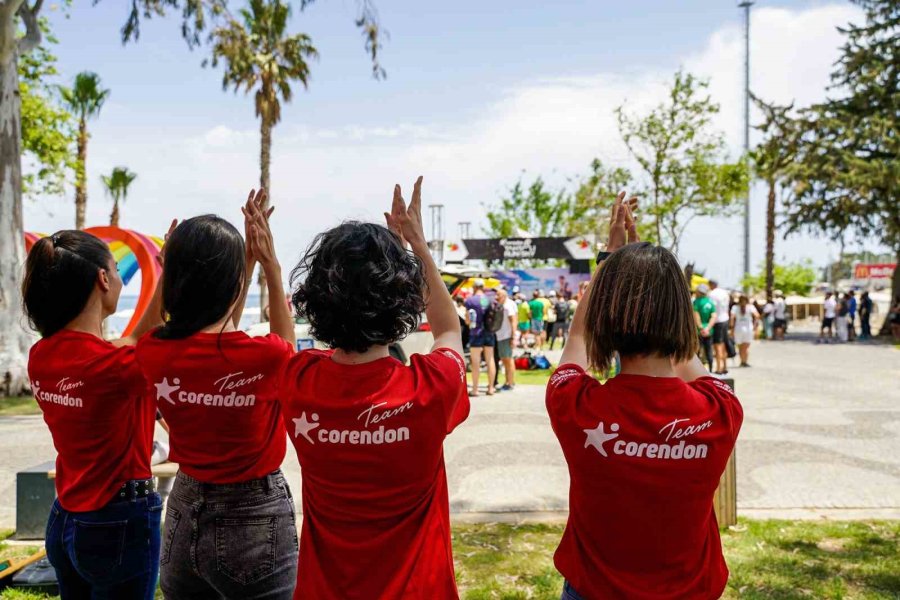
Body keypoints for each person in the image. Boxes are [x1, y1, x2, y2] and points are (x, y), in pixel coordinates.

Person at [281, 176, 469, 598]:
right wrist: (418, 249)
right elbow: (448, 329)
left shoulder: (297, 380)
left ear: (315, 297)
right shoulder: (431, 385)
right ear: (403, 299)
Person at [548, 192, 742, 599]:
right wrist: (651, 277)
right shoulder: (722, 411)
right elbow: (687, 357)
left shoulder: (574, 404)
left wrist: (611, 262)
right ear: (680, 312)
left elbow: (579, 336)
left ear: (606, 316)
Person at [136, 192, 299, 600]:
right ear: (235, 286)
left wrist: (169, 269)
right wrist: (269, 265)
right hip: (253, 511)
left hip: (185, 504)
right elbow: (282, 344)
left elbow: (210, 333)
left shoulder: (155, 351)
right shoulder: (265, 356)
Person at [23, 223, 174, 599]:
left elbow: (133, 341)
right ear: (103, 279)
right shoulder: (117, 366)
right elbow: (143, 342)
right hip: (117, 524)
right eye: (119, 273)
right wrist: (170, 276)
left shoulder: (42, 357)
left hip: (66, 519)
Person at [465, 279, 497, 396]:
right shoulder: (490, 299)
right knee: (490, 359)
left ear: (474, 287)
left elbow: (468, 320)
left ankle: (475, 389)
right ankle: (491, 388)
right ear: (483, 287)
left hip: (476, 333)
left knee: (475, 362)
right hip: (489, 332)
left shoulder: (470, 300)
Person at [495, 288, 518, 391]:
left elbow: (513, 321)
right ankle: (509, 381)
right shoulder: (509, 304)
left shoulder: (507, 306)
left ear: (504, 296)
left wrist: (513, 337)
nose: (496, 297)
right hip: (504, 336)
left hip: (506, 336)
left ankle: (509, 383)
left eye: (498, 295)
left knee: (507, 360)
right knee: (506, 360)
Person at [708, 280, 731, 375]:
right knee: (723, 344)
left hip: (717, 321)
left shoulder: (712, 294)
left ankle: (718, 368)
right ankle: (725, 366)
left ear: (711, 285)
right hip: (725, 319)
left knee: (717, 345)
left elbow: (711, 308)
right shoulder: (725, 292)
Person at [730, 294, 759, 367]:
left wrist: (731, 329)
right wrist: (755, 326)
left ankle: (743, 361)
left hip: (739, 329)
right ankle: (744, 361)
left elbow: (732, 318)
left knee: (741, 347)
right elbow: (757, 316)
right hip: (748, 328)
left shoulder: (735, 307)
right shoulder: (750, 307)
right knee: (745, 347)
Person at [693, 284, 716, 371]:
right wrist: (708, 328)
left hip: (698, 330)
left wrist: (701, 327)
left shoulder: (696, 302)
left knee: (697, 351)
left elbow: (696, 315)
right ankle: (710, 369)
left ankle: (698, 371)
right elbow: (714, 316)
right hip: (709, 330)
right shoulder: (710, 302)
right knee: (709, 350)